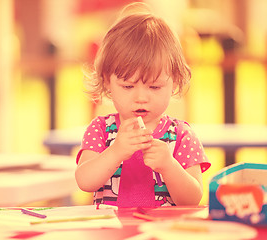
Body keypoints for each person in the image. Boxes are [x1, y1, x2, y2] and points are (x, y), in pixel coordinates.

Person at [75, 2, 211, 207]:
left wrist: (169, 166)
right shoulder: (101, 130)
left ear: (174, 82)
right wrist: (116, 151)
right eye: (128, 86)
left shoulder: (181, 135)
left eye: (154, 87)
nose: (141, 98)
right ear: (107, 82)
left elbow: (192, 200)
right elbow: (84, 181)